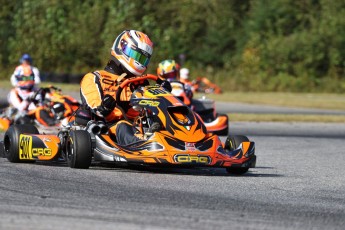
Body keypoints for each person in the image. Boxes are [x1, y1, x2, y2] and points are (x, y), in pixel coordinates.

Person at [80, 30, 169, 145]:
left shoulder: (142, 83)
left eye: (143, 59)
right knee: (123, 126)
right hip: (110, 127)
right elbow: (96, 108)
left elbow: (153, 108)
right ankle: (142, 145)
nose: (139, 62)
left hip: (139, 125)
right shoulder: (95, 78)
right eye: (137, 56)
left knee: (161, 121)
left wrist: (164, 92)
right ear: (122, 48)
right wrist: (105, 106)